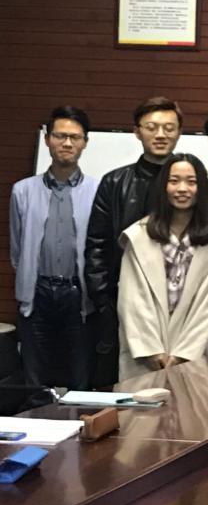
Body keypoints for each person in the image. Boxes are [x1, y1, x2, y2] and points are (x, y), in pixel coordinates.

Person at [85, 96, 183, 388]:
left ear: (179, 132)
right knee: (124, 389)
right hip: (122, 304)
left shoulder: (189, 183)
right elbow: (97, 246)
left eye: (169, 127)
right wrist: (105, 302)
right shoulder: (115, 182)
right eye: (151, 127)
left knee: (178, 390)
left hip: (177, 306)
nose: (160, 134)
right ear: (137, 132)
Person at [117, 154, 208, 380]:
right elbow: (132, 300)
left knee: (190, 402)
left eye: (191, 182)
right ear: (163, 187)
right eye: (174, 181)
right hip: (144, 354)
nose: (182, 189)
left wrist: (182, 354)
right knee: (142, 402)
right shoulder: (139, 236)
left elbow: (207, 306)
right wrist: (152, 351)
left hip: (191, 354)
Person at [10, 106, 98, 392]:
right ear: (48, 139)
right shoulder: (22, 190)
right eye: (60, 136)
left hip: (78, 294)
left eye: (75, 137)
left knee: (80, 375)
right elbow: (17, 249)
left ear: (85, 142)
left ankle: (80, 420)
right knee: (34, 375)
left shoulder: (98, 190)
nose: (67, 143)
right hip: (37, 292)